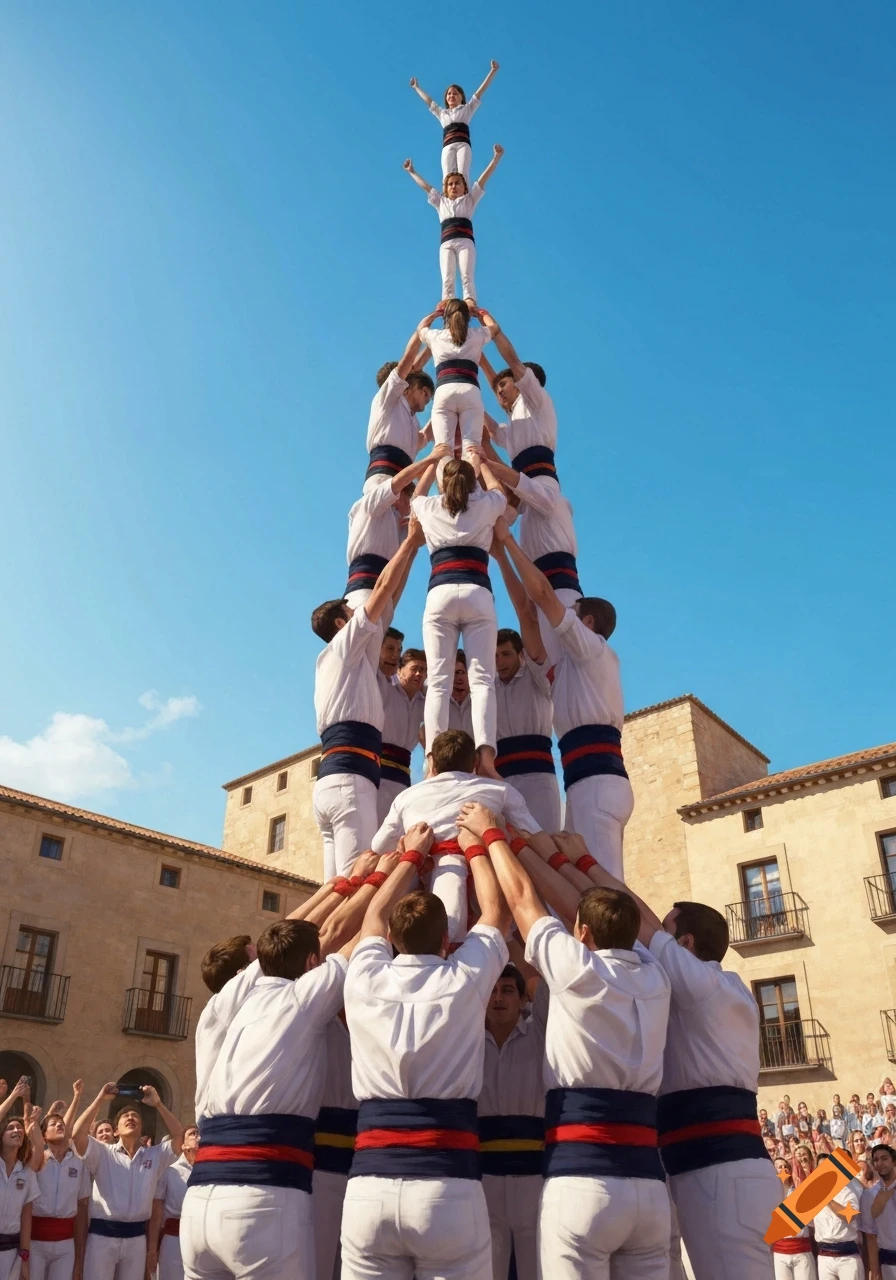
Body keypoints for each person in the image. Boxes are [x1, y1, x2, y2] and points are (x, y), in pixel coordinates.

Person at [460, 801, 673, 1278]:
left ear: (581, 931)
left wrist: (493, 835)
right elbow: (639, 917)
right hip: (648, 1183)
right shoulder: (659, 980)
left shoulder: (577, 969)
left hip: (583, 1176)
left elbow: (520, 900)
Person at [576, 847, 781, 1280]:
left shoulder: (705, 984)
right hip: (700, 1168)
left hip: (721, 1174)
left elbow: (638, 920)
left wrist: (581, 861)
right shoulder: (718, 988)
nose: (653, 941)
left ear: (685, 944)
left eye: (669, 934)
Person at [340, 818, 511, 1280]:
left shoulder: (365, 977)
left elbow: (373, 916)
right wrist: (476, 846)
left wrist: (410, 856)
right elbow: (496, 912)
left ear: (392, 941)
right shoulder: (464, 979)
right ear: (445, 941)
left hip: (368, 1188)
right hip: (447, 1182)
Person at [180, 887, 378, 1280]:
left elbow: (291, 938)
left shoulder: (217, 1012)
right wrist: (379, 878)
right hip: (263, 1193)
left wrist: (341, 886)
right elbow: (341, 934)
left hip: (200, 1200)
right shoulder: (299, 1000)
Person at [495, 518, 634, 878]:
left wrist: (508, 538)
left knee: (605, 888)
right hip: (583, 781)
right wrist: (498, 556)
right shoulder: (566, 669)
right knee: (585, 884)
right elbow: (528, 613)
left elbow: (542, 594)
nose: (559, 621)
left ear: (586, 623)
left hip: (597, 783)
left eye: (570, 614)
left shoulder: (592, 649)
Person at [311, 525, 424, 878]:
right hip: (350, 780)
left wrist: (412, 551)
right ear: (343, 621)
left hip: (331, 782)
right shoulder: (346, 647)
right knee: (356, 885)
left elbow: (388, 604)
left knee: (335, 887)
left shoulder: (337, 662)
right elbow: (383, 590)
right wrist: (410, 541)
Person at [371, 728, 548, 944]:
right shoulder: (501, 790)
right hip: (489, 889)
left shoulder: (406, 797)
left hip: (419, 897)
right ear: (475, 763)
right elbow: (534, 835)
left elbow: (379, 846)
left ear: (433, 764)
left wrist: (407, 845)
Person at [412, 455, 506, 775]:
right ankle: (487, 758)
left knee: (438, 681)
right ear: (472, 482)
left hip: (439, 595)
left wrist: (430, 466)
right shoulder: (487, 504)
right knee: (483, 681)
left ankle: (431, 762)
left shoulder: (429, 507)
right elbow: (499, 492)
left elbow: (414, 497)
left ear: (443, 483)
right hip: (477, 592)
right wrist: (483, 465)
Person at [72, 1083, 183, 1280]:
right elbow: (76, 1134)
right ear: (116, 1131)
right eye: (126, 1117)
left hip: (136, 1240)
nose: (131, 1118)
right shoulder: (102, 1153)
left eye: (136, 1117)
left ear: (142, 1128)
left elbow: (179, 1137)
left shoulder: (155, 1156)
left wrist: (158, 1104)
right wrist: (99, 1099)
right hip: (102, 1238)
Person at [480, 961, 547, 1280]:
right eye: (493, 990)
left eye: (507, 990)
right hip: (485, 1176)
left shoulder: (539, 1034)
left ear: (523, 1000)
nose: (498, 998)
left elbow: (549, 983)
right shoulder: (467, 1041)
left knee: (534, 1267)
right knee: (489, 1269)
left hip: (532, 1174)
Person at [490, 540, 560, 831]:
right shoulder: (485, 686)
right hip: (499, 781)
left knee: (547, 848)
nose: (499, 661)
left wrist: (501, 557)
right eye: (494, 656)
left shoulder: (536, 675)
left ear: (520, 654)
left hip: (538, 779)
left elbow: (527, 615)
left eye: (505, 654)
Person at [345, 449, 447, 609]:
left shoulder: (396, 525)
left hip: (384, 590)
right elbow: (398, 482)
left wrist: (434, 465)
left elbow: (418, 502)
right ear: (400, 495)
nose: (408, 510)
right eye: (408, 501)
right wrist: (431, 459)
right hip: (362, 589)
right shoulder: (369, 505)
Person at [404, 152, 504, 305]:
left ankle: (470, 301)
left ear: (464, 187)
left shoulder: (469, 200)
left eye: (457, 183)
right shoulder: (441, 202)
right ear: (446, 188)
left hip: (465, 242)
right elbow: (426, 187)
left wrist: (495, 158)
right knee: (447, 277)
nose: (454, 186)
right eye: (450, 184)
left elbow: (483, 179)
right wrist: (412, 171)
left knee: (466, 274)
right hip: (446, 243)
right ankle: (447, 301)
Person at [412, 303, 500, 455]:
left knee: (442, 449)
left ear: (445, 317)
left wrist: (436, 313)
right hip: (470, 392)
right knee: (472, 450)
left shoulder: (436, 336)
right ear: (467, 318)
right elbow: (494, 328)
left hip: (444, 392)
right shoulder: (477, 334)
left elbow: (420, 329)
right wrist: (480, 312)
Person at [312, 1015, 356, 1280]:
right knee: (319, 1262)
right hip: (322, 1164)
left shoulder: (373, 1011)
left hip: (368, 1164)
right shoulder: (319, 1021)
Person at [409, 64, 500, 181]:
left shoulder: (467, 108)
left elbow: (481, 90)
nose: (452, 95)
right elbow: (428, 100)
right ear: (446, 98)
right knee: (447, 176)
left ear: (461, 97)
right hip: (448, 146)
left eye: (455, 93)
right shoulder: (442, 113)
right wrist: (417, 87)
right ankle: (448, 198)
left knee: (463, 174)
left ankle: (464, 197)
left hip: (463, 145)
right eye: (449, 93)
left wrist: (492, 71)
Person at [30, 1111, 90, 1280]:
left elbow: (82, 1210)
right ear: (44, 1135)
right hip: (35, 1243)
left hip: (65, 1245)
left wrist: (79, 1259)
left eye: (61, 1123)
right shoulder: (37, 1161)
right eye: (53, 1124)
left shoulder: (79, 1164)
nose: (59, 1125)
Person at [364, 348, 434, 492]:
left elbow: (422, 439)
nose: (427, 399)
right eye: (424, 392)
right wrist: (431, 343)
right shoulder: (386, 400)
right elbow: (409, 369)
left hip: (404, 484)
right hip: (382, 479)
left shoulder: (412, 421)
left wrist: (446, 409)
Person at [377, 644, 426, 823]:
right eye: (415, 669)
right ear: (399, 670)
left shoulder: (425, 700)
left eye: (423, 670)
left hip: (403, 775)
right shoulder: (387, 688)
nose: (420, 674)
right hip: (378, 771)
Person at [147, 1125, 199, 1280]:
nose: (198, 1136)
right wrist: (152, 1249)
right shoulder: (169, 1171)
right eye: (192, 1134)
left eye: (199, 1133)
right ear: (183, 1145)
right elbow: (157, 1213)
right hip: (174, 1240)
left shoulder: (209, 1171)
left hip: (201, 1239)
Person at [1, 1112, 39, 1280]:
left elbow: (26, 1219)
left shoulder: (28, 1174)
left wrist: (24, 1258)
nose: (17, 1130)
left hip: (11, 1253)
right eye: (10, 1128)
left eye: (20, 1128)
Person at [770, 1158, 816, 1279]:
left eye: (786, 1167)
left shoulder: (798, 1192)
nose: (783, 1169)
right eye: (779, 1167)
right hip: (780, 1253)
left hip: (802, 1252)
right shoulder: (768, 1195)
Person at [812, 1173, 863, 1280]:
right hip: (824, 1257)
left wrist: (828, 1200)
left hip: (847, 1257)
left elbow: (851, 1216)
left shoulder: (847, 1193)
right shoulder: (813, 1195)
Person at [863, 1142, 896, 1279]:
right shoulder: (869, 1195)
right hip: (888, 1263)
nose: (880, 1163)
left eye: (884, 1158)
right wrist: (875, 1272)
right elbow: (871, 1237)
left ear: (893, 1161)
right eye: (876, 1160)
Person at [447, 651, 474, 737]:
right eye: (453, 673)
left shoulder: (480, 700)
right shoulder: (440, 700)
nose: (459, 678)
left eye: (462, 672)